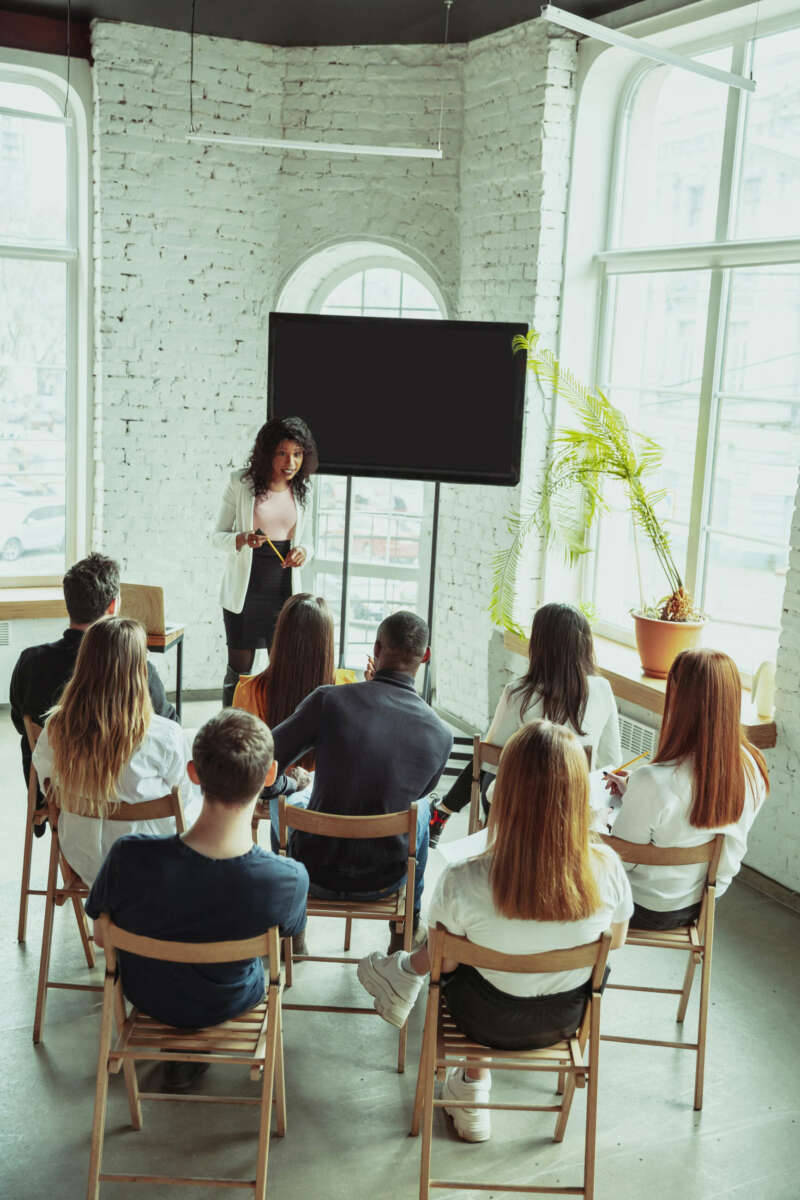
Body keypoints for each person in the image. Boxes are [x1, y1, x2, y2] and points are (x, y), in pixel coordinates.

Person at [358, 720, 632, 1142]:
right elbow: (619, 940)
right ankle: (466, 1083)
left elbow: (444, 961)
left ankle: (470, 1084)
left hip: (480, 1021)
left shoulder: (464, 878)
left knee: (455, 961)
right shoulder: (609, 870)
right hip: (565, 1018)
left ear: (505, 792)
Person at [86, 709, 308, 1091]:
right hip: (230, 1001)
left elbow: (102, 938)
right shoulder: (287, 878)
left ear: (192, 773)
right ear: (270, 775)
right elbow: (285, 943)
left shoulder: (127, 857)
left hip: (147, 996)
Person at [268, 611, 452, 948]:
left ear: (377, 648)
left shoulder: (329, 700)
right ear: (425, 657)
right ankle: (405, 928)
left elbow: (265, 758)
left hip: (313, 870)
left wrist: (290, 786)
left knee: (288, 802)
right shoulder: (441, 734)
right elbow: (417, 792)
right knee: (421, 811)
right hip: (386, 878)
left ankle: (291, 925)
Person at [429, 602, 621, 846]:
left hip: (520, 803)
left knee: (484, 759)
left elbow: (490, 758)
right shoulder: (603, 689)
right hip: (576, 803)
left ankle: (442, 813)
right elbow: (611, 759)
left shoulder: (519, 693)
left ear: (539, 646)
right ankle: (442, 812)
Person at [607, 647, 769, 930]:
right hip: (705, 902)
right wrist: (636, 791)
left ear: (680, 702)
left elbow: (622, 863)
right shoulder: (752, 764)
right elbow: (696, 800)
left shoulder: (654, 780)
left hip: (645, 907)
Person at [32, 616, 197, 887]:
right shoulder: (165, 735)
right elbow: (185, 800)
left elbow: (47, 784)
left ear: (84, 665)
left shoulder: (56, 727)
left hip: (84, 860)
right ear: (140, 670)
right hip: (152, 863)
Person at [9, 553, 177, 805]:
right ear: (113, 606)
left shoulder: (30, 662)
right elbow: (168, 726)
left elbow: (22, 725)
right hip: (125, 800)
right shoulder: (138, 670)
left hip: (60, 795)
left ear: (68, 604)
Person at [212, 416, 319, 706]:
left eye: (297, 454)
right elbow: (216, 536)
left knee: (282, 670)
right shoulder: (240, 483)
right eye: (282, 453)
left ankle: (273, 732)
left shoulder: (304, 491)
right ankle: (227, 729)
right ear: (268, 452)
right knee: (239, 669)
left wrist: (304, 553)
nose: (291, 462)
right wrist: (242, 538)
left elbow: (308, 542)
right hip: (244, 592)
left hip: (283, 592)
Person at [232, 593, 356, 738]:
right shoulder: (348, 687)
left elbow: (242, 755)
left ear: (280, 636)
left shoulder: (248, 691)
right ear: (327, 642)